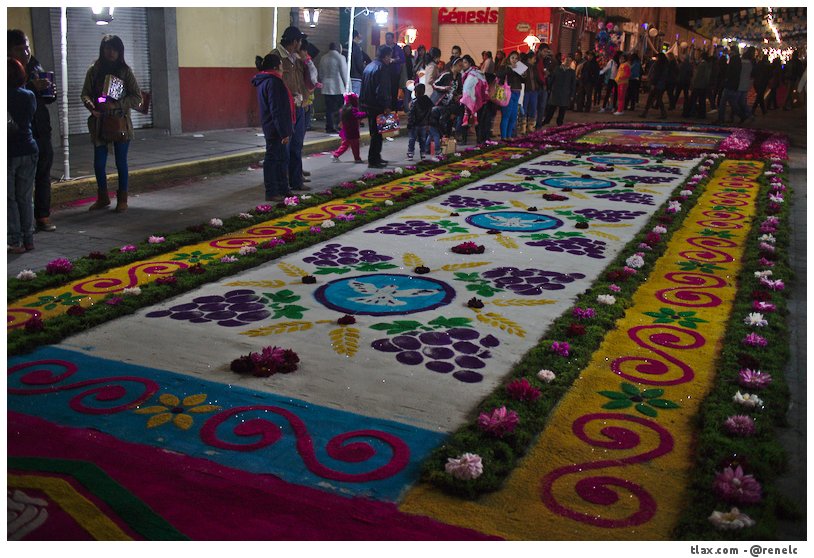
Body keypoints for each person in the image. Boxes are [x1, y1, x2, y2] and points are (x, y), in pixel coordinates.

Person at [81, 34, 142, 212]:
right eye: (108, 48)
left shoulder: (125, 71)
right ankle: (103, 197)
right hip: (99, 122)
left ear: (120, 51)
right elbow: (85, 94)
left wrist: (116, 104)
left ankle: (122, 198)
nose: (111, 52)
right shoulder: (94, 70)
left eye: (115, 49)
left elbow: (137, 97)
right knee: (99, 163)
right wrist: (92, 106)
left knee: (121, 162)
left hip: (120, 122)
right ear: (102, 50)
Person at [8, 29, 56, 232]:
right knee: (19, 186)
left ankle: (42, 216)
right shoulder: (9, 71)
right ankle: (19, 225)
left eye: (27, 48)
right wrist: (33, 86)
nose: (26, 53)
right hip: (19, 135)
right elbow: (14, 95)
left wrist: (49, 91)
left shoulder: (35, 65)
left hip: (41, 128)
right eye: (20, 49)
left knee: (44, 174)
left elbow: (46, 98)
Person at [273, 26, 310, 191]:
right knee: (284, 149)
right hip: (286, 109)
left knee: (297, 146)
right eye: (300, 41)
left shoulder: (296, 58)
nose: (301, 44)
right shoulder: (276, 57)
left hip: (299, 107)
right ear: (294, 41)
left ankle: (296, 181)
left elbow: (303, 81)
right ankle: (282, 183)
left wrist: (305, 100)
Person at [252, 53, 293, 202]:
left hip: (271, 125)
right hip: (275, 128)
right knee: (273, 160)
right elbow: (277, 109)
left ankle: (283, 188)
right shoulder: (273, 82)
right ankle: (272, 191)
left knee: (281, 159)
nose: (283, 67)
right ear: (276, 66)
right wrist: (284, 132)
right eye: (281, 64)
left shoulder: (266, 80)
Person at [8, 57, 38, 253]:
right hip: (28, 147)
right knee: (25, 197)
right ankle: (29, 239)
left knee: (9, 198)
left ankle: (15, 240)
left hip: (9, 151)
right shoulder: (29, 95)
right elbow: (31, 117)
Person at [360, 44, 392, 168]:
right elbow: (382, 89)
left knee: (375, 132)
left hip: (368, 103)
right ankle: (373, 160)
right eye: (389, 56)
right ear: (386, 56)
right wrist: (386, 105)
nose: (390, 59)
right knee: (377, 134)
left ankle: (376, 157)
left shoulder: (369, 66)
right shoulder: (382, 68)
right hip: (377, 105)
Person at [318, 42, 347, 134]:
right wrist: (347, 87)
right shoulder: (341, 57)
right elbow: (344, 73)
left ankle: (329, 126)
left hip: (326, 87)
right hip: (338, 87)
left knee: (329, 108)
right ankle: (337, 125)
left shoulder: (323, 58)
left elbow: (320, 73)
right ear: (338, 48)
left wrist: (323, 81)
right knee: (339, 107)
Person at [459, 55, 489, 144]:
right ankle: (465, 140)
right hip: (467, 100)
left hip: (476, 100)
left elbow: (479, 87)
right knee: (465, 119)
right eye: (462, 62)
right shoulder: (463, 73)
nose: (463, 64)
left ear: (470, 63)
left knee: (477, 121)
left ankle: (479, 140)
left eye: (465, 62)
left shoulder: (475, 73)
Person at [495, 51, 525, 140]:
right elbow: (498, 74)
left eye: (516, 58)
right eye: (512, 58)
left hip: (517, 92)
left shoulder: (519, 67)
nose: (514, 60)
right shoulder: (505, 67)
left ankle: (509, 136)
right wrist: (510, 68)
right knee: (506, 115)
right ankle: (503, 137)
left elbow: (524, 80)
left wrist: (523, 74)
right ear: (509, 58)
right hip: (508, 93)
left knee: (513, 116)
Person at [331, 92, 366, 163]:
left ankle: (336, 155)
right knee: (355, 146)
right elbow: (357, 115)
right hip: (352, 132)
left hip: (347, 131)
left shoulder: (344, 109)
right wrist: (366, 113)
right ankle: (357, 158)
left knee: (346, 145)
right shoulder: (352, 110)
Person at [541, 55, 576, 127]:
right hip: (555, 91)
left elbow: (573, 84)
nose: (568, 62)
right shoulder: (557, 69)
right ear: (563, 60)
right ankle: (546, 120)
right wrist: (549, 87)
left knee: (562, 109)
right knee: (551, 108)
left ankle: (559, 122)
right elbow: (552, 79)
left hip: (565, 93)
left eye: (570, 61)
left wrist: (572, 95)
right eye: (567, 60)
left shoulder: (572, 72)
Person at [716, 47, 743, 124]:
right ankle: (742, 115)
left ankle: (721, 118)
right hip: (733, 83)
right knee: (732, 102)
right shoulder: (737, 59)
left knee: (723, 102)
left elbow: (731, 72)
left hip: (730, 83)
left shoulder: (734, 59)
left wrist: (726, 79)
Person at [406, 83, 432, 160]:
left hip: (415, 124)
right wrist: (428, 123)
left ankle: (410, 154)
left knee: (412, 139)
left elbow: (411, 114)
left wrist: (409, 123)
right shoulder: (428, 101)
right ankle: (423, 154)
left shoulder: (414, 102)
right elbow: (430, 113)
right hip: (424, 124)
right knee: (422, 139)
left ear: (416, 92)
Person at [640, 52, 668, 119]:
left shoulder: (658, 64)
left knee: (652, 98)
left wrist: (653, 83)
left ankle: (645, 112)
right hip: (661, 84)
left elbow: (656, 75)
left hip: (657, 84)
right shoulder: (665, 64)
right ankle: (662, 113)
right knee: (658, 98)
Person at [685, 51, 711, 119]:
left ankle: (691, 112)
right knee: (701, 100)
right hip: (703, 85)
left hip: (698, 85)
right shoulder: (707, 65)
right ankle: (701, 113)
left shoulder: (702, 65)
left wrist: (693, 83)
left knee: (693, 99)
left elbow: (697, 76)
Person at [384, 32, 405, 111]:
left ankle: (393, 108)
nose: (387, 39)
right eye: (386, 38)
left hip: (395, 73)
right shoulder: (383, 48)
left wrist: (394, 60)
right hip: (385, 73)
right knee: (385, 91)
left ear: (393, 39)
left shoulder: (398, 48)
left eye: (389, 38)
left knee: (394, 91)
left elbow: (402, 60)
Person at [518, 51, 537, 135]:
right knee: (524, 109)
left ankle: (530, 126)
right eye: (534, 59)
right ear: (529, 59)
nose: (535, 60)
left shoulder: (534, 67)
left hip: (533, 90)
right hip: (525, 90)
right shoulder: (522, 66)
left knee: (533, 108)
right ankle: (523, 127)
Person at [350, 29, 370, 98]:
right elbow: (359, 64)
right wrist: (363, 73)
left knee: (348, 98)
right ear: (356, 37)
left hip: (347, 77)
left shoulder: (344, 46)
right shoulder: (357, 48)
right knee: (354, 98)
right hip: (356, 77)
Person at [751, 51, 770, 116]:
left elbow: (753, 73)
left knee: (760, 96)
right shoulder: (766, 66)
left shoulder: (758, 65)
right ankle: (754, 110)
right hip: (762, 82)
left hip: (756, 82)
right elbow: (768, 75)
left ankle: (763, 110)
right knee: (759, 96)